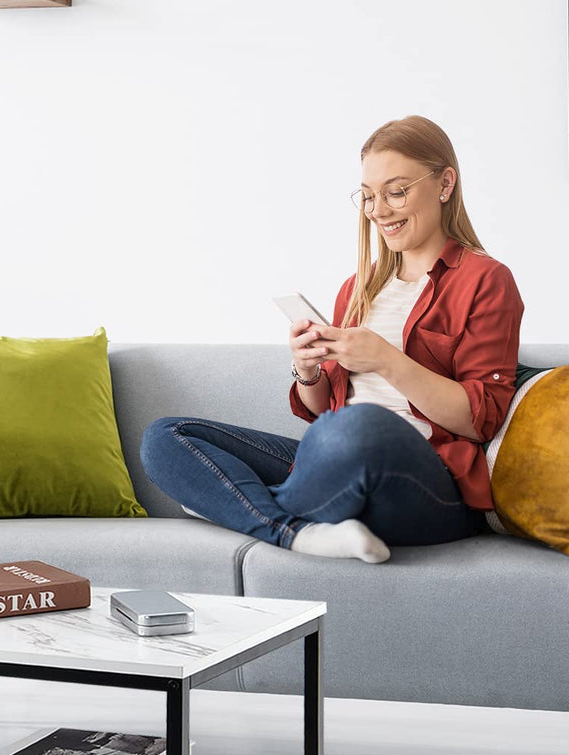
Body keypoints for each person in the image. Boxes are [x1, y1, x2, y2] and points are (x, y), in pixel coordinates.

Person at [140, 115, 524, 563]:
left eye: (396, 192)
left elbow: (482, 420)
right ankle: (297, 532)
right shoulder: (359, 289)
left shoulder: (486, 280)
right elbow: (325, 411)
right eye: (368, 197)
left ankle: (236, 503)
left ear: (445, 184)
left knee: (357, 427)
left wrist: (386, 360)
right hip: (337, 460)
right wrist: (308, 372)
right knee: (165, 436)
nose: (379, 210)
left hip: (428, 482)